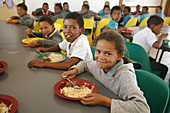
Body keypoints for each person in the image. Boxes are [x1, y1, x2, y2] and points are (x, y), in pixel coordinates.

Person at [61, 31, 150, 113]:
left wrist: (106, 102)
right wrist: (76, 70)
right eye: (98, 51)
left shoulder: (125, 76)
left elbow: (143, 108)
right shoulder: (99, 66)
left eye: (108, 53)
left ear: (119, 56)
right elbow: (85, 64)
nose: (101, 57)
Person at [27, 12, 93, 69]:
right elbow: (59, 46)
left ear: (81, 30)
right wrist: (46, 50)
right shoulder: (70, 39)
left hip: (86, 74)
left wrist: (43, 64)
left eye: (72, 27)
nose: (67, 30)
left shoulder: (82, 41)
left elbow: (69, 64)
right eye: (65, 27)